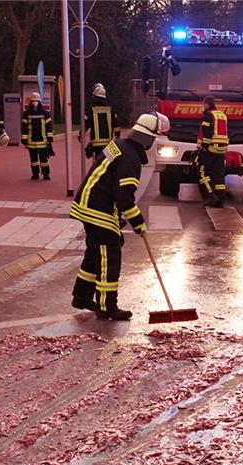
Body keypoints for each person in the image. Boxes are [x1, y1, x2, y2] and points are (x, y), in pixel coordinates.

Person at [70, 112, 169, 320]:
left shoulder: (119, 145)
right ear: (147, 138)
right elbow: (124, 198)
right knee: (109, 255)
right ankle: (107, 306)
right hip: (98, 209)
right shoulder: (131, 159)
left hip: (88, 203)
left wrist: (121, 219)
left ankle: (81, 297)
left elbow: (110, 185)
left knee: (95, 252)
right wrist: (138, 223)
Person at [196, 95, 229, 208]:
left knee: (202, 172)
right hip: (222, 149)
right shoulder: (222, 115)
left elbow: (207, 133)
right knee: (218, 175)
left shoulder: (208, 115)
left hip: (211, 148)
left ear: (206, 104)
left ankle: (211, 196)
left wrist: (203, 147)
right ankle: (220, 200)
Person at [21, 92, 54, 180]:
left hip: (43, 141)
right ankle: (35, 174)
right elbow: (24, 127)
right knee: (33, 160)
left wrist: (50, 138)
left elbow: (49, 127)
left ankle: (46, 174)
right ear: (31, 102)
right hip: (31, 141)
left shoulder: (45, 113)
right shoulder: (27, 114)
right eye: (33, 101)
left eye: (36, 101)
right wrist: (24, 139)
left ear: (39, 101)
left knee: (44, 160)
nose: (35, 102)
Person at [83, 83, 120, 160]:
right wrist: (117, 135)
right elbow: (116, 126)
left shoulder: (91, 110)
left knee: (97, 166)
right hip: (109, 144)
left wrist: (81, 134)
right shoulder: (110, 110)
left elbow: (85, 124)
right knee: (109, 164)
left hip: (96, 145)